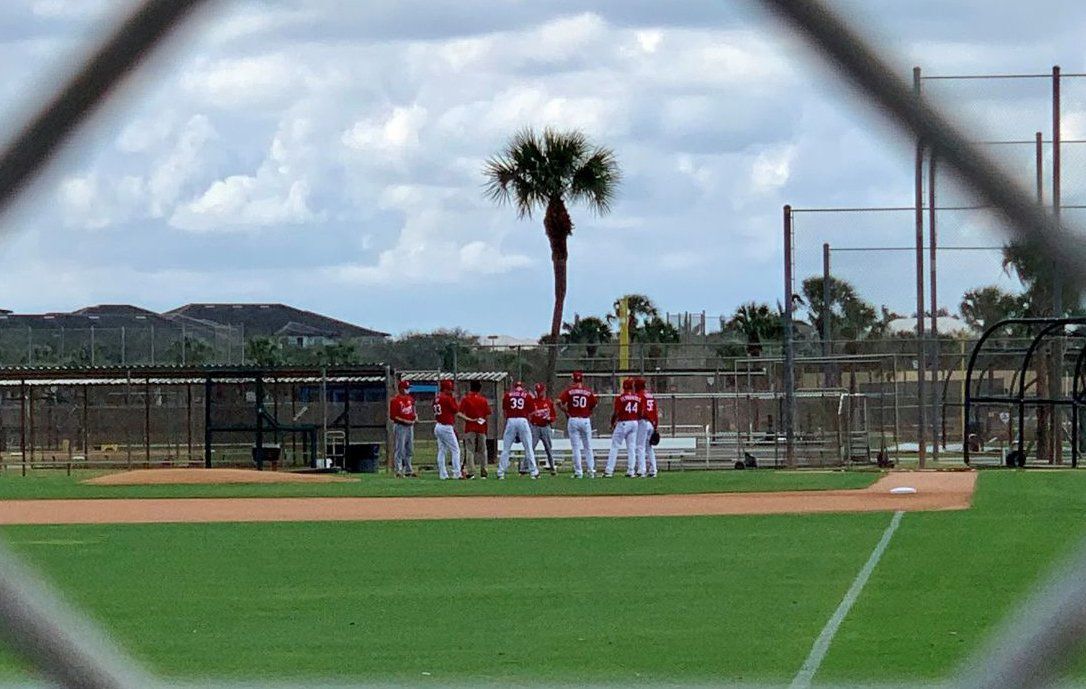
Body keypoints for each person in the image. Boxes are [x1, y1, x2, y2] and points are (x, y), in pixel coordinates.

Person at [557, 370, 598, 478]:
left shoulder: (569, 390)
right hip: (585, 419)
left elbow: (558, 401)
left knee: (576, 448)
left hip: (573, 419)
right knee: (588, 446)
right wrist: (589, 412)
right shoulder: (588, 391)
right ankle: (591, 470)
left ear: (573, 379)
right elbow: (594, 404)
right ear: (582, 379)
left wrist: (564, 410)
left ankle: (578, 472)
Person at [498, 381, 539, 479]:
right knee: (528, 447)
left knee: (506, 448)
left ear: (514, 387)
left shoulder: (508, 395)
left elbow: (504, 411)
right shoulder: (527, 396)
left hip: (511, 419)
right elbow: (533, 412)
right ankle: (533, 472)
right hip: (522, 419)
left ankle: (501, 473)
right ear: (522, 387)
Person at [605, 378, 641, 478]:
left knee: (615, 446)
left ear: (624, 387)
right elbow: (640, 412)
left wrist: (612, 423)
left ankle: (609, 470)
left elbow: (616, 412)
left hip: (624, 422)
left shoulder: (621, 398)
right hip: (634, 422)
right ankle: (631, 471)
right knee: (631, 448)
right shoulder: (637, 397)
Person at [458, 380, 491, 479]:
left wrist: (469, 419)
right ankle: (484, 472)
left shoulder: (466, 399)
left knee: (470, 450)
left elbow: (459, 413)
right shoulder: (483, 400)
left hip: (470, 427)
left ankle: (471, 472)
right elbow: (487, 415)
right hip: (482, 427)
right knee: (483, 450)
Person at [432, 379, 463, 480]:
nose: (451, 391)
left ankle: (443, 474)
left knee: (442, 450)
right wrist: (453, 399)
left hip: (438, 425)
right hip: (446, 426)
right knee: (456, 450)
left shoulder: (436, 398)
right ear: (445, 389)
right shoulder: (447, 398)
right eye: (450, 389)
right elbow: (455, 410)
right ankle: (457, 473)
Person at [388, 379, 417, 477]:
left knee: (409, 449)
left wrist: (415, 417)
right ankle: (398, 470)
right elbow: (393, 416)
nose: (408, 390)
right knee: (400, 448)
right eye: (406, 388)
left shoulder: (410, 399)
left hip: (410, 426)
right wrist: (404, 421)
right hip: (400, 426)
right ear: (400, 389)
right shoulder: (395, 400)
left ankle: (409, 469)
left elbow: (413, 411)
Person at [529, 382, 558, 475]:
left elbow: (553, 416)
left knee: (548, 448)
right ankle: (525, 468)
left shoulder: (548, 402)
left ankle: (552, 468)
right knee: (531, 448)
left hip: (545, 427)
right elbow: (529, 415)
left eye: (540, 391)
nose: (539, 393)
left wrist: (550, 419)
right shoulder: (533, 402)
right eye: (537, 391)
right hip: (535, 427)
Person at [634, 377, 659, 478]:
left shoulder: (639, 396)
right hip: (651, 423)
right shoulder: (650, 396)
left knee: (640, 446)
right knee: (649, 447)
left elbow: (642, 411)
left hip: (643, 421)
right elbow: (655, 412)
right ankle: (653, 469)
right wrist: (655, 425)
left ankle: (642, 470)